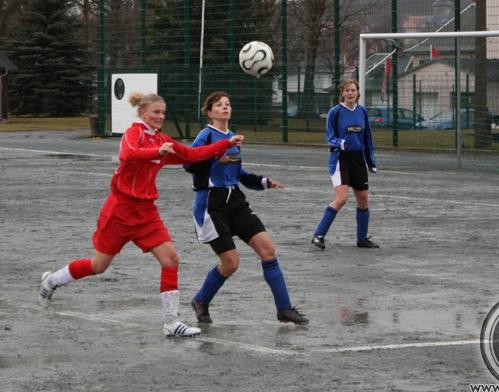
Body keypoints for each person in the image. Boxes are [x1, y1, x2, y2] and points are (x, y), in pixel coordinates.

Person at [38, 92, 244, 337]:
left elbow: (191, 155)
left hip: (147, 213)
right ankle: (51, 281)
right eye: (156, 112)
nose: (160, 117)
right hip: (120, 211)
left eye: (163, 113)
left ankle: (171, 322)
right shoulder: (133, 133)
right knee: (98, 265)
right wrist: (158, 152)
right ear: (143, 113)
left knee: (171, 260)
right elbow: (129, 155)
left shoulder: (162, 139)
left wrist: (226, 144)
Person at [185, 91, 308, 326]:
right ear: (210, 112)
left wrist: (262, 182)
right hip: (212, 204)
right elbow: (189, 163)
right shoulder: (206, 135)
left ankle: (284, 308)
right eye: (219, 105)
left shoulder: (232, 137)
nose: (225, 107)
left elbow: (237, 172)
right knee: (231, 263)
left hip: (236, 202)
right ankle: (201, 300)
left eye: (227, 104)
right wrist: (213, 156)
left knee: (268, 249)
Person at [311, 79, 378, 250]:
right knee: (341, 198)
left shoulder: (362, 111)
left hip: (359, 160)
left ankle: (362, 239)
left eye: (353, 90)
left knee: (363, 200)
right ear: (342, 93)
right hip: (341, 159)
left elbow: (367, 138)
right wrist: (339, 143)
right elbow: (329, 136)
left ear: (358, 93)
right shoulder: (335, 112)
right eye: (347, 90)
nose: (350, 93)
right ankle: (318, 236)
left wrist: (371, 161)